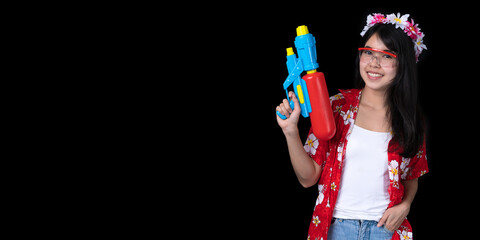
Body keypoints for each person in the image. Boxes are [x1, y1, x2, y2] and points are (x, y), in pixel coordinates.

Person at [275, 13, 429, 240]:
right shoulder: (336, 108)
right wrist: (290, 132)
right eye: (368, 52)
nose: (374, 63)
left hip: (385, 230)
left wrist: (405, 205)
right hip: (337, 229)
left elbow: (412, 176)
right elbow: (308, 178)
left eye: (386, 55)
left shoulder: (410, 120)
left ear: (402, 62)